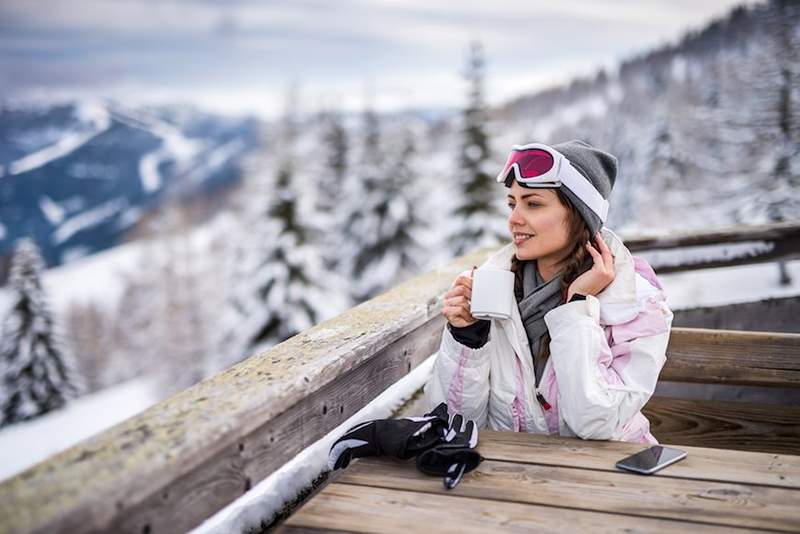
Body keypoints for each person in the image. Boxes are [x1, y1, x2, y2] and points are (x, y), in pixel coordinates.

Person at [423, 140, 673, 443]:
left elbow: (597, 423)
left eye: (533, 204)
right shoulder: (491, 287)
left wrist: (577, 307)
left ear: (579, 214)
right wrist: (467, 338)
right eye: (512, 203)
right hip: (510, 476)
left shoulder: (635, 302)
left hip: (605, 478)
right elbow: (453, 424)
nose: (514, 219)